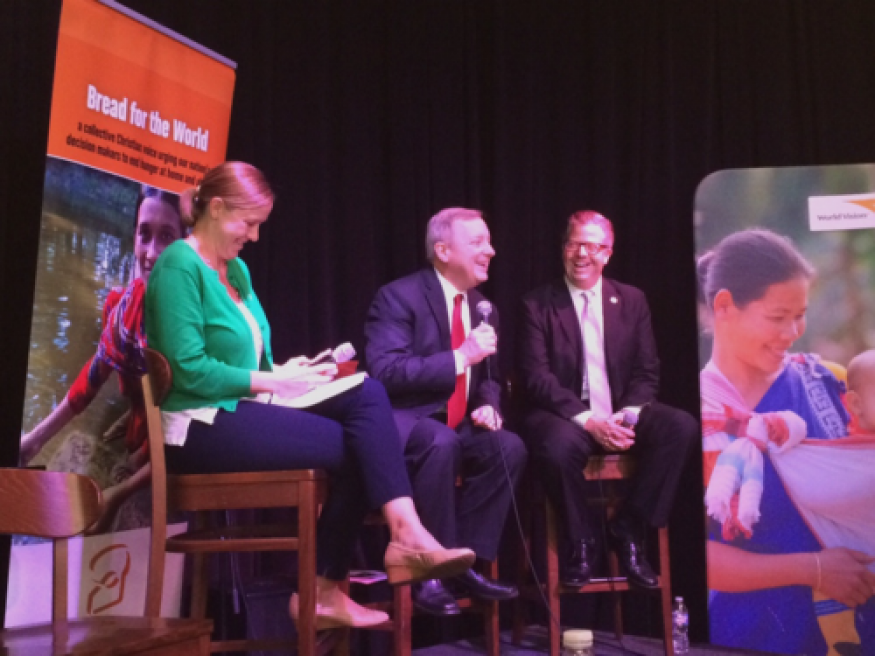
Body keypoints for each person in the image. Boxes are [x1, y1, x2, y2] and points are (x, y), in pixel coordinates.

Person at [144, 162, 474, 630]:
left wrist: (285, 370)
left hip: (239, 404)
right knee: (364, 445)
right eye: (249, 223)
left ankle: (404, 532)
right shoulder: (178, 264)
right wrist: (274, 383)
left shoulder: (234, 270)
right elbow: (186, 369)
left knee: (367, 397)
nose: (254, 237)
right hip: (195, 424)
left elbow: (248, 360)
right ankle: (326, 587)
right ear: (215, 209)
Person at [698, 228, 875, 655]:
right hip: (753, 631)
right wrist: (813, 569)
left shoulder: (830, 384)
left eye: (800, 314)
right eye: (777, 318)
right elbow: (699, 554)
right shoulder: (701, 414)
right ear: (724, 306)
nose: (793, 331)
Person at [517, 210, 697, 589]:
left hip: (618, 412)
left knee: (679, 427)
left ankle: (630, 528)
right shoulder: (537, 304)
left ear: (608, 253)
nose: (582, 254)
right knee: (555, 447)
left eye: (593, 246)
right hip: (565, 417)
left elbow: (647, 371)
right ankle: (582, 541)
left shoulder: (631, 300)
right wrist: (588, 420)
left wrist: (626, 416)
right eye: (574, 244)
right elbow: (536, 378)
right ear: (563, 248)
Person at [364, 207, 527, 616]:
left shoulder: (484, 307)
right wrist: (460, 356)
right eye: (477, 242)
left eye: (488, 241)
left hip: (457, 425)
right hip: (407, 424)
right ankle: (427, 572)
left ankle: (463, 561)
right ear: (442, 250)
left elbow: (487, 377)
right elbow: (385, 371)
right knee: (441, 442)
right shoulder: (399, 296)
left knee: (508, 447)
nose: (490, 250)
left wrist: (489, 406)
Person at [20, 186, 184, 531]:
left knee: (108, 493)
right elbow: (88, 384)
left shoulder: (195, 316)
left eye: (167, 237)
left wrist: (133, 464)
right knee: (70, 471)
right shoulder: (125, 309)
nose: (151, 252)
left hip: (177, 436)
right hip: (144, 419)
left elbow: (187, 415)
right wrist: (34, 440)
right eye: (145, 234)